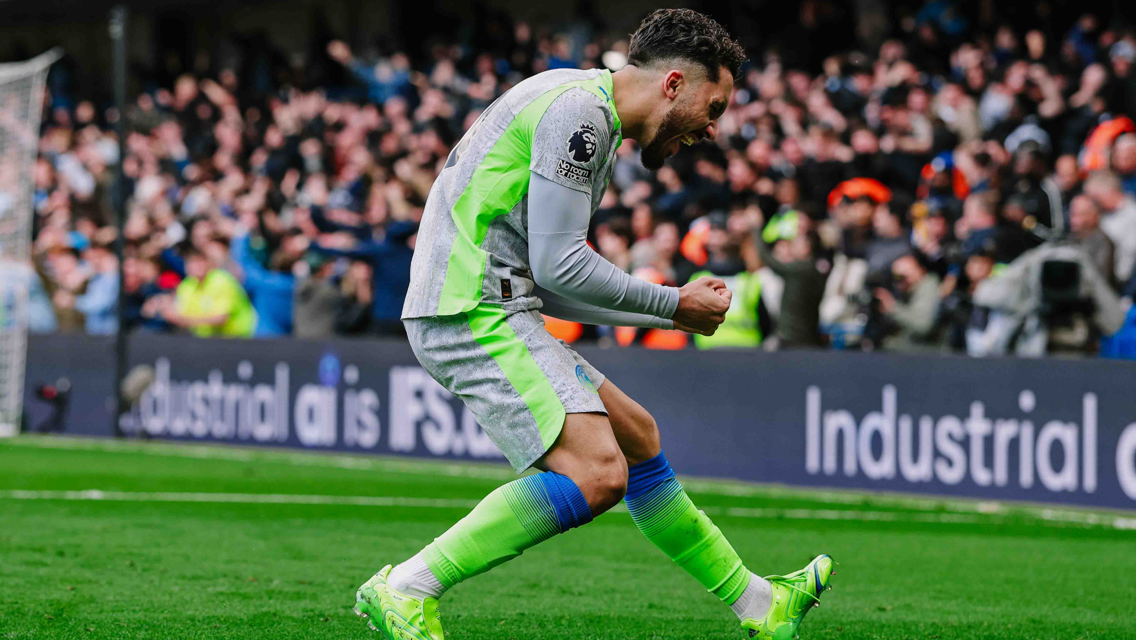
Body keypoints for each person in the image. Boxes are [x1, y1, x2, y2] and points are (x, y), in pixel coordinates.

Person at [354, 10, 832, 640]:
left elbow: (551, 282)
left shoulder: (583, 106)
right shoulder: (579, 116)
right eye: (713, 106)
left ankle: (758, 603)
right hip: (470, 307)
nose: (714, 128)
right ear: (673, 85)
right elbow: (562, 265)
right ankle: (407, 586)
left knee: (637, 439)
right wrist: (672, 302)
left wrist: (672, 313)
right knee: (597, 473)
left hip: (496, 302)